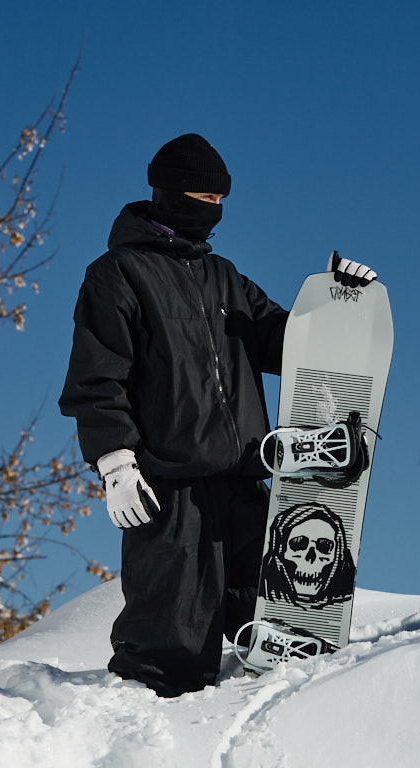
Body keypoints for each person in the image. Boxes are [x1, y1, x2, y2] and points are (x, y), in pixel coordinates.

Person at [58, 133, 376, 697]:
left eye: (219, 201)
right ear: (167, 193)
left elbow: (286, 343)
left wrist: (337, 301)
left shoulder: (224, 277)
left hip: (245, 477)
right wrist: (115, 462)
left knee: (273, 606)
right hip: (169, 483)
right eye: (201, 198)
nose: (212, 211)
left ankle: (297, 711)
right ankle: (150, 734)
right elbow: (97, 377)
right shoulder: (117, 274)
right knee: (171, 635)